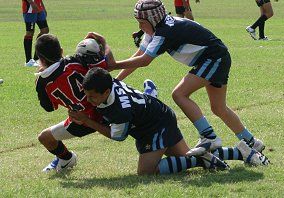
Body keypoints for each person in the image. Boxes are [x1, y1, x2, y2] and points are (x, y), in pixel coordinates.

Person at [87, 0, 266, 158]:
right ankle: (252, 142)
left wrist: (113, 65)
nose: (140, 27)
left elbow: (145, 61)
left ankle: (209, 137)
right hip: (216, 57)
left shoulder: (164, 31)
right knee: (218, 108)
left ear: (152, 20)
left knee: (179, 94)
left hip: (213, 57)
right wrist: (115, 80)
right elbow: (139, 55)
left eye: (142, 22)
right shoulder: (156, 28)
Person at [68, 67, 232, 175]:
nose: (88, 100)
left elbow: (118, 136)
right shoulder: (107, 81)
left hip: (155, 126)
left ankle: (201, 159)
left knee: (146, 172)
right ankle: (241, 151)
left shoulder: (120, 109)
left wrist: (87, 121)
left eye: (92, 96)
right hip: (158, 115)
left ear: (106, 92)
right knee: (184, 156)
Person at [35, 34, 110, 172]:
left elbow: (50, 108)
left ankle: (65, 158)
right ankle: (144, 101)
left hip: (81, 122)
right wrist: (102, 44)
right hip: (108, 110)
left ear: (40, 59)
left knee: (44, 138)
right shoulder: (74, 62)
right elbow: (104, 66)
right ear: (61, 51)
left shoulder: (41, 82)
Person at [22, 0, 49, 66]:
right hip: (30, 10)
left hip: (39, 8)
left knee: (45, 30)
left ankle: (36, 58)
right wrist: (32, 3)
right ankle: (28, 60)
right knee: (30, 33)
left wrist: (43, 7)